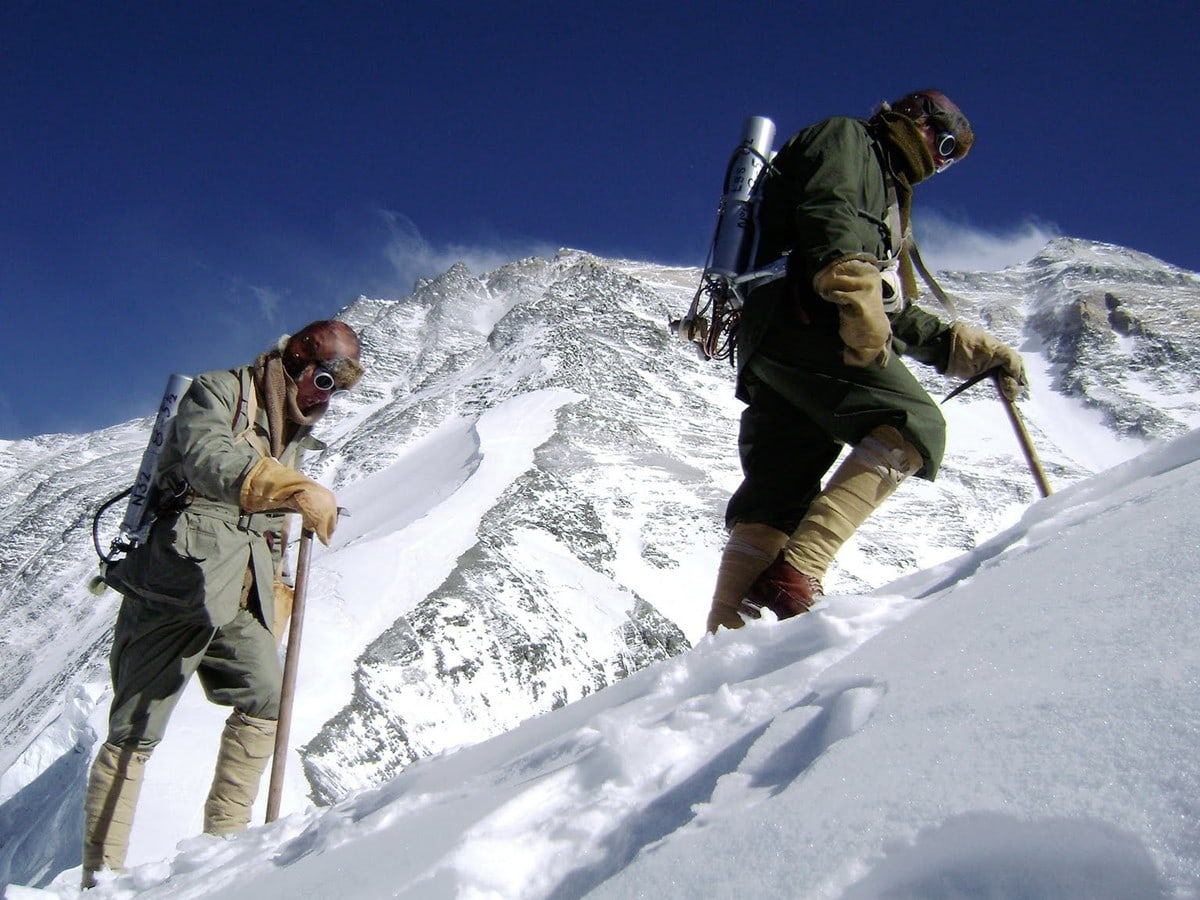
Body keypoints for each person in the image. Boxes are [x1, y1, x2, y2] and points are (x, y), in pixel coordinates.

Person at [705, 89, 1026, 633]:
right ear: (917, 120)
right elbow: (829, 214)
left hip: (777, 340)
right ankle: (799, 573)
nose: (941, 164)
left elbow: (890, 311)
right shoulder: (850, 140)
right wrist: (852, 290)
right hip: (806, 320)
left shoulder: (887, 193)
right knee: (913, 423)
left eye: (953, 160)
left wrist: (964, 350)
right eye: (944, 145)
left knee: (775, 497)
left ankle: (721, 644)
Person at [81, 320, 363, 887]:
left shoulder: (292, 435)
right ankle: (99, 878)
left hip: (242, 589)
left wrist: (277, 590)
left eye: (335, 388)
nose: (323, 396)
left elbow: (267, 528)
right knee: (136, 727)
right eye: (323, 379)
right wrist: (286, 487)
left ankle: (224, 860)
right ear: (296, 360)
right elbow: (209, 460)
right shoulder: (219, 392)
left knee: (266, 697)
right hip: (180, 579)